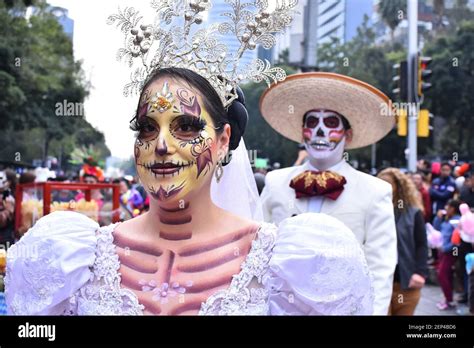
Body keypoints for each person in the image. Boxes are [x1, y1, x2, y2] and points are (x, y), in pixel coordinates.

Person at [5, 1, 373, 316]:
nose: (161, 144)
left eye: (185, 126)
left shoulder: (290, 264)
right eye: (147, 127)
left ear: (222, 140)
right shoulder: (71, 257)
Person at [259, 72, 397, 315]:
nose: (319, 132)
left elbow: (380, 266)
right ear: (303, 132)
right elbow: (256, 250)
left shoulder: (375, 191)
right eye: (312, 123)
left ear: (348, 134)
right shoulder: (275, 182)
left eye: (331, 123)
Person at [378, 168, 428, 315]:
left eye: (387, 184)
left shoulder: (413, 213)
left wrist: (420, 272)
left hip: (405, 283)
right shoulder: (373, 211)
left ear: (398, 186)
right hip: (379, 283)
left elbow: (422, 244)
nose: (382, 187)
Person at [434, 199, 461, 310]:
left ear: (453, 209)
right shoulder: (447, 219)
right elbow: (436, 228)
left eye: (447, 207)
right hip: (442, 251)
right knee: (446, 275)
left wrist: (445, 248)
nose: (445, 209)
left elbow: (457, 241)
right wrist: (438, 217)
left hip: (449, 253)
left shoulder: (457, 221)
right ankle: (447, 298)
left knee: (442, 275)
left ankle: (449, 300)